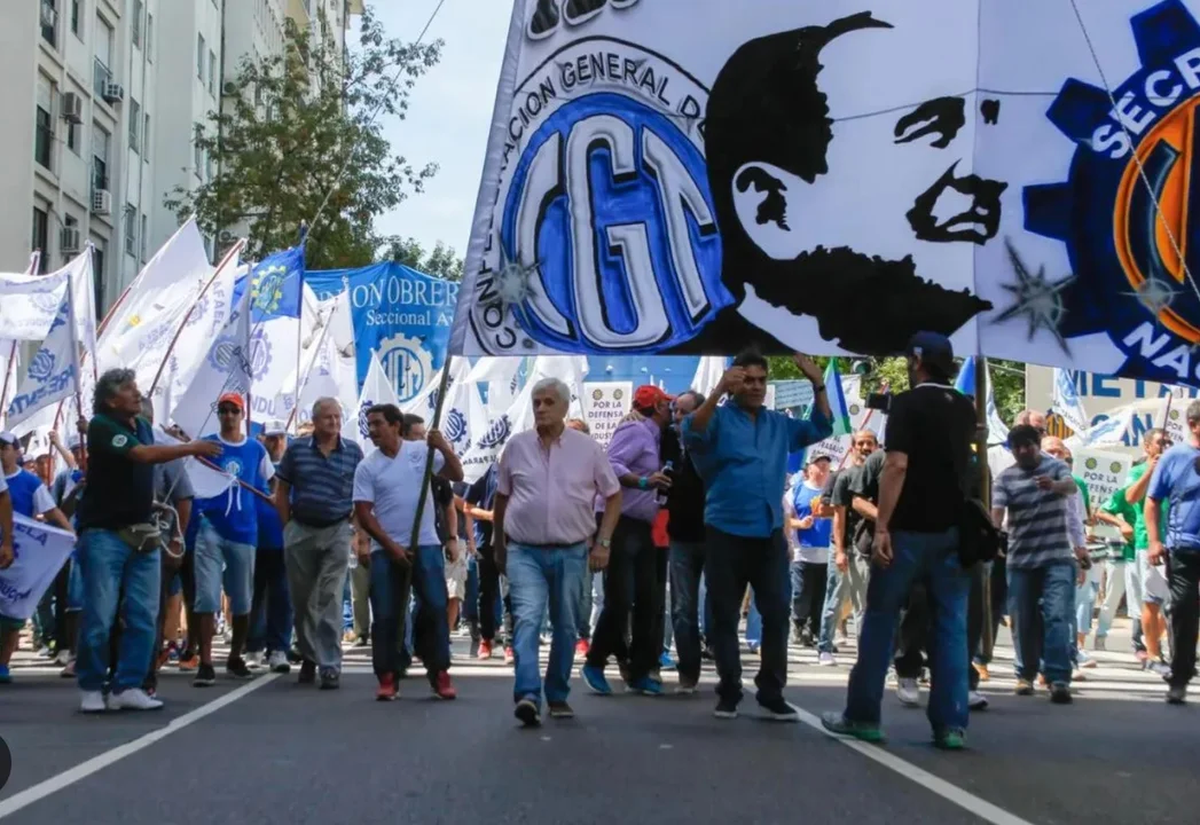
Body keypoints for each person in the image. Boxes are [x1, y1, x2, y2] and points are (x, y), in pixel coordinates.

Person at [821, 332, 976, 749]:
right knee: (950, 626)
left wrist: (883, 525)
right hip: (953, 531)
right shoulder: (964, 406)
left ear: (916, 361)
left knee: (880, 620)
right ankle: (950, 724)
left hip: (907, 530)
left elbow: (896, 466)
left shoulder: (908, 404)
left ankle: (864, 715)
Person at [683, 350, 831, 721]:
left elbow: (822, 427)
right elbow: (691, 432)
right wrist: (718, 389)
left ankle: (771, 691)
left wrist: (818, 382)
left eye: (761, 380)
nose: (756, 387)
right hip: (725, 531)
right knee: (724, 616)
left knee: (777, 612)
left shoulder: (778, 424)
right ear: (735, 383)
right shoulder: (718, 418)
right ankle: (729, 690)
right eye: (748, 380)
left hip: (767, 533)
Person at [75, 368, 221, 712]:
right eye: (129, 389)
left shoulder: (140, 426)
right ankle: (92, 685)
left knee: (144, 613)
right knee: (101, 614)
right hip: (104, 534)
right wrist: (191, 447)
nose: (137, 393)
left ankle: (128, 684)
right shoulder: (101, 426)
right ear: (111, 400)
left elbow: (140, 467)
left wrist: (149, 502)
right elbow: (143, 456)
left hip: (143, 530)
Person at [494, 378, 622, 726]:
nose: (541, 408)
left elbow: (613, 495)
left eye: (549, 402)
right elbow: (502, 497)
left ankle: (558, 693)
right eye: (537, 402)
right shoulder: (516, 447)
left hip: (572, 551)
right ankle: (528, 695)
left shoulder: (588, 449)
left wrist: (604, 542)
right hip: (524, 551)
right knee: (527, 619)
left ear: (565, 407)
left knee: (566, 625)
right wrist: (497, 543)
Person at [354, 404, 463, 702]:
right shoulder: (368, 466)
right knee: (387, 613)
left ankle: (438, 670)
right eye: (370, 424)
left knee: (435, 607)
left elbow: (456, 472)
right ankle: (388, 675)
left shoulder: (420, 453)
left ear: (395, 425)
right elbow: (363, 512)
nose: (373, 430)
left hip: (425, 544)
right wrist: (389, 546)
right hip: (385, 550)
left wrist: (442, 447)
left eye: (378, 423)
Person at [581, 384, 673, 697]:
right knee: (621, 599)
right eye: (669, 406)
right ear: (658, 407)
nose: (672, 411)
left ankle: (638, 671)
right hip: (619, 523)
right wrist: (645, 481)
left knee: (648, 599)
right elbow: (611, 465)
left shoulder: (654, 434)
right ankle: (595, 661)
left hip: (641, 526)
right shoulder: (636, 430)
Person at [992, 425, 1085, 705]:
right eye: (1017, 447)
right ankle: (1025, 674)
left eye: (1028, 446)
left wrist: (1053, 486)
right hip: (1021, 558)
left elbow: (1071, 486)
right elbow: (997, 512)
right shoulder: (1005, 478)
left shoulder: (1056, 467)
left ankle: (1058, 678)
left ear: (1038, 444)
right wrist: (992, 533)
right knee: (1022, 618)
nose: (1023, 451)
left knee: (1057, 615)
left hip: (1057, 557)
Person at [276, 398, 364, 690]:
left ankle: (329, 665)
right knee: (302, 601)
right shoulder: (297, 450)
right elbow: (283, 489)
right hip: (301, 530)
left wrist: (354, 527)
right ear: (314, 421)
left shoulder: (353, 451)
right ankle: (310, 655)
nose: (334, 423)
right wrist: (287, 526)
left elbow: (362, 492)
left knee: (329, 597)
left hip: (337, 530)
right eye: (328, 418)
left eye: (338, 417)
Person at [191, 392, 274, 686]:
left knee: (242, 599)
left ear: (242, 414)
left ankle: (235, 655)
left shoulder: (255, 449)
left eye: (233, 411)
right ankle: (206, 661)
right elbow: (193, 480)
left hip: (244, 530)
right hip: (211, 528)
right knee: (208, 596)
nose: (228, 416)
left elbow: (269, 483)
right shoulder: (208, 446)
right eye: (224, 410)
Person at [0, 431, 74, 683]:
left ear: (16, 451)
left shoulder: (30, 483)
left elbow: (51, 511)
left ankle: (3, 664)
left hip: (19, 556)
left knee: (14, 611)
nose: (1, 452)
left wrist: (70, 534)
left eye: (5, 447)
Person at [1145, 400, 1200, 705]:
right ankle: (1180, 676)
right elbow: (1152, 501)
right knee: (1183, 610)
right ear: (1193, 425)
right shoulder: (1174, 457)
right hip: (1184, 546)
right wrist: (1155, 541)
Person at [664, 390, 709, 694]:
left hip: (716, 535)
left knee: (720, 607)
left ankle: (728, 670)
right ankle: (688, 673)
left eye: (683, 412)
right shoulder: (667, 441)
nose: (677, 417)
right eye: (674, 411)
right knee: (682, 609)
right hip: (681, 537)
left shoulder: (713, 445)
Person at [1125, 429, 1171, 675]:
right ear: (1147, 447)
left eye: (1168, 442)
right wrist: (1150, 472)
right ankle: (1152, 653)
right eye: (1160, 443)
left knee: (1180, 604)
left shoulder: (1175, 469)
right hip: (1148, 543)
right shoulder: (1135, 471)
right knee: (1152, 601)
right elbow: (1131, 498)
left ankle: (1160, 643)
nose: (1165, 446)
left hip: (1177, 543)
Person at [248, 422, 293, 673]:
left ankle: (279, 648)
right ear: (262, 439)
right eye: (272, 439)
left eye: (281, 439)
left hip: (283, 541)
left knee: (282, 596)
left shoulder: (289, 467)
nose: (277, 444)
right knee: (254, 595)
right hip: (255, 540)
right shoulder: (255, 465)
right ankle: (253, 646)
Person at [785, 455, 834, 655]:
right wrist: (799, 524)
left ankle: (814, 631)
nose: (823, 470)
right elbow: (785, 519)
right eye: (819, 466)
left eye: (826, 467)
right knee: (801, 593)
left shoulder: (832, 491)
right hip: (802, 552)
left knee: (821, 597)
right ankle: (797, 624)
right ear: (810, 469)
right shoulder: (796, 491)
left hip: (827, 552)